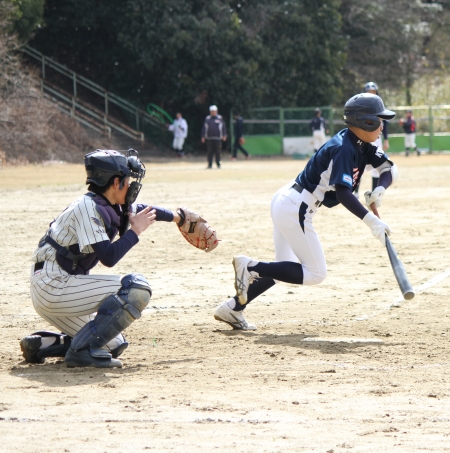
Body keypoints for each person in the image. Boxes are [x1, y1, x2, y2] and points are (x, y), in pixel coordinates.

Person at [213, 93, 398, 330]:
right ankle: (250, 267)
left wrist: (380, 189)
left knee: (285, 267)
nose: (383, 126)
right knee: (316, 273)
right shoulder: (344, 148)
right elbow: (343, 193)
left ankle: (232, 308)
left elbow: (388, 169)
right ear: (366, 122)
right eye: (379, 121)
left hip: (288, 200)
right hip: (296, 206)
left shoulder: (360, 143)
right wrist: (372, 222)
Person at [19, 149, 184, 368]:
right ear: (116, 182)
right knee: (136, 288)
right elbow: (108, 257)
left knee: (112, 343)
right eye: (128, 180)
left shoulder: (107, 204)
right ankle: (80, 352)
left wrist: (180, 218)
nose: (131, 186)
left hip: (58, 285)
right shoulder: (87, 207)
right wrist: (135, 232)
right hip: (53, 285)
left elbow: (145, 210)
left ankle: (42, 344)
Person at [362, 82, 390, 192]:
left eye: (373, 92)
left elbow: (385, 124)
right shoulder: (360, 107)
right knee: (359, 166)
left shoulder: (379, 106)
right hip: (363, 138)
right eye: (369, 92)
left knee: (377, 165)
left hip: (377, 139)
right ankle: (355, 192)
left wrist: (386, 140)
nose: (371, 93)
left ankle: (375, 192)